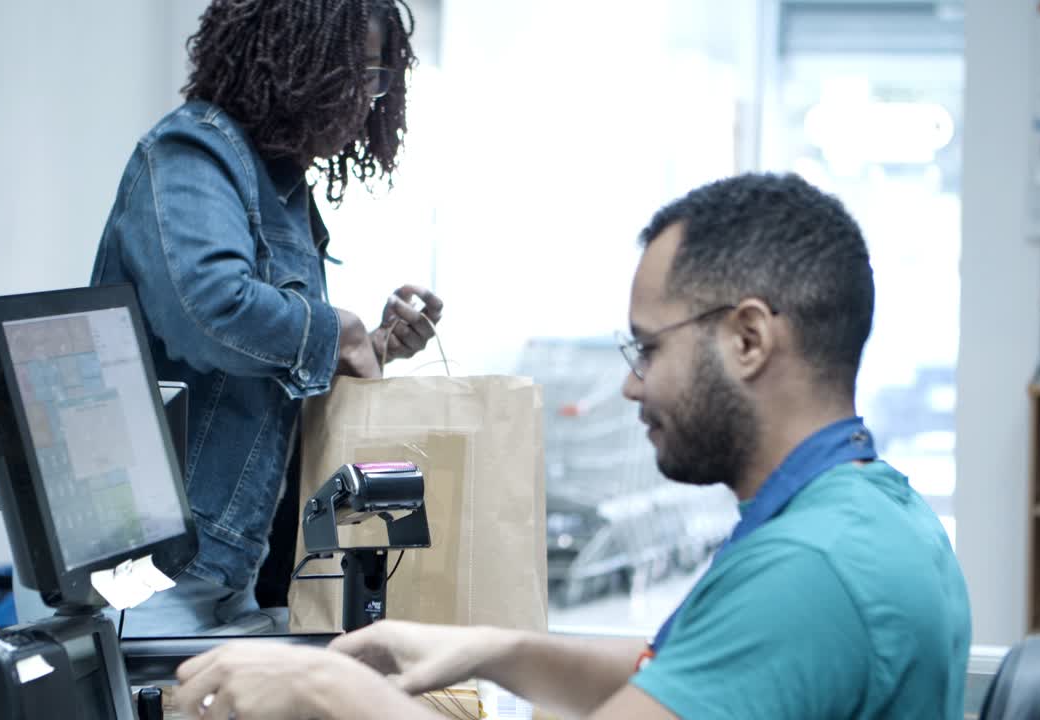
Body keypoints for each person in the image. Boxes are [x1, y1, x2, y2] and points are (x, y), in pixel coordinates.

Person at [171, 173, 971, 719]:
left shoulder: (811, 573)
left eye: (648, 350)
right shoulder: (869, 510)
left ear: (750, 339)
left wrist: (317, 682)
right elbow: (685, 677)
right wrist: (495, 649)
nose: (630, 387)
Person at [85, 0, 442, 636]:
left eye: (377, 77)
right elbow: (210, 307)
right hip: (153, 572)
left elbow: (270, 369)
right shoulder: (190, 152)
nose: (366, 97)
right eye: (352, 72)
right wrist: (344, 333)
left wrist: (374, 349)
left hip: (231, 566)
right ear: (292, 64)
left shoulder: (281, 186)